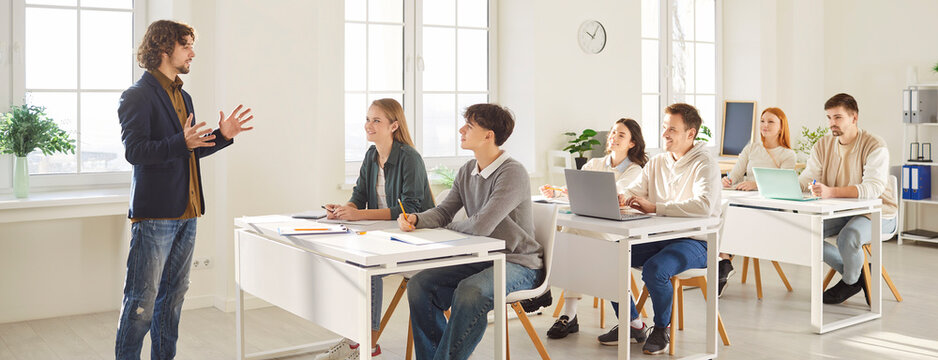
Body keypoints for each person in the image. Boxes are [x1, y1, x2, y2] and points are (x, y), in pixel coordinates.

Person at [116, 20, 255, 359]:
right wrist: (182, 141)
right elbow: (136, 152)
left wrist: (222, 135)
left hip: (188, 212)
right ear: (165, 49)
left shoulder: (184, 96)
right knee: (141, 304)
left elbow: (188, 149)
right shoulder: (136, 96)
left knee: (173, 300)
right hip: (155, 216)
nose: (193, 53)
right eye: (186, 46)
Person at [398, 104, 542, 360]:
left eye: (470, 126)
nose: (461, 129)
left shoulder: (512, 172)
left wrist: (447, 227)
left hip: (519, 263)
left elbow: (480, 226)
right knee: (421, 285)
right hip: (484, 258)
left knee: (470, 291)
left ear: (489, 135)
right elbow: (444, 211)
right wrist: (417, 219)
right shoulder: (467, 171)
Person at [599, 103, 721, 355]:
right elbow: (633, 189)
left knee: (656, 269)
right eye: (664, 127)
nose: (664, 134)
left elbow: (704, 205)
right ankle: (633, 324)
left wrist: (656, 206)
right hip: (661, 237)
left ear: (691, 134)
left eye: (672, 130)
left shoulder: (705, 164)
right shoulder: (658, 162)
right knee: (609, 257)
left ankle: (661, 328)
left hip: (696, 241)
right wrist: (621, 197)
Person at [318, 98, 435, 360]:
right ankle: (355, 338)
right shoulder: (372, 155)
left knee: (368, 269)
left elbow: (409, 209)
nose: (368, 125)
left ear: (394, 125)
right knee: (350, 263)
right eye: (368, 119)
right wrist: (343, 209)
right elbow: (359, 195)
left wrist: (358, 215)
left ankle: (365, 345)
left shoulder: (410, 158)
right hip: (387, 237)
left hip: (417, 240)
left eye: (376, 120)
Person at [538, 118, 648, 339]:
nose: (613, 138)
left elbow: (617, 194)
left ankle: (568, 314)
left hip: (618, 232)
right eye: (613, 133)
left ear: (632, 143)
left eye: (621, 135)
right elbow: (577, 190)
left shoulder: (636, 171)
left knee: (581, 242)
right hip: (593, 228)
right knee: (570, 235)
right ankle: (574, 315)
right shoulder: (594, 163)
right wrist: (558, 192)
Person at [798, 93, 897, 305]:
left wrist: (830, 192)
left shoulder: (874, 145)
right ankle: (860, 274)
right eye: (829, 118)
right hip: (841, 211)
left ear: (854, 118)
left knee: (848, 237)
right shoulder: (822, 145)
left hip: (878, 213)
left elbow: (873, 188)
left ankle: (851, 280)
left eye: (838, 117)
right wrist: (778, 185)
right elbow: (808, 177)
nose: (832, 123)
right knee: (804, 233)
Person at [717, 107, 796, 296]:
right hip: (745, 202)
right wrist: (726, 181)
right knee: (723, 211)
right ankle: (724, 261)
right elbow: (735, 175)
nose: (764, 125)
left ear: (781, 127)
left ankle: (723, 262)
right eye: (762, 121)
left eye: (770, 122)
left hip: (771, 209)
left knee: (732, 214)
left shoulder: (788, 155)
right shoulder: (751, 148)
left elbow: (784, 186)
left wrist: (755, 184)